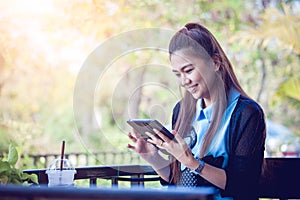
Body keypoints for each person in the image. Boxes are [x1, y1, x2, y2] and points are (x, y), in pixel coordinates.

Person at [127, 22, 266, 200]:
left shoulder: (246, 113)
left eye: (189, 70)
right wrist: (152, 157)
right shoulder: (182, 110)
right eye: (178, 74)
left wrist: (191, 162)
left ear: (215, 62)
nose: (184, 81)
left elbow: (243, 186)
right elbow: (180, 181)